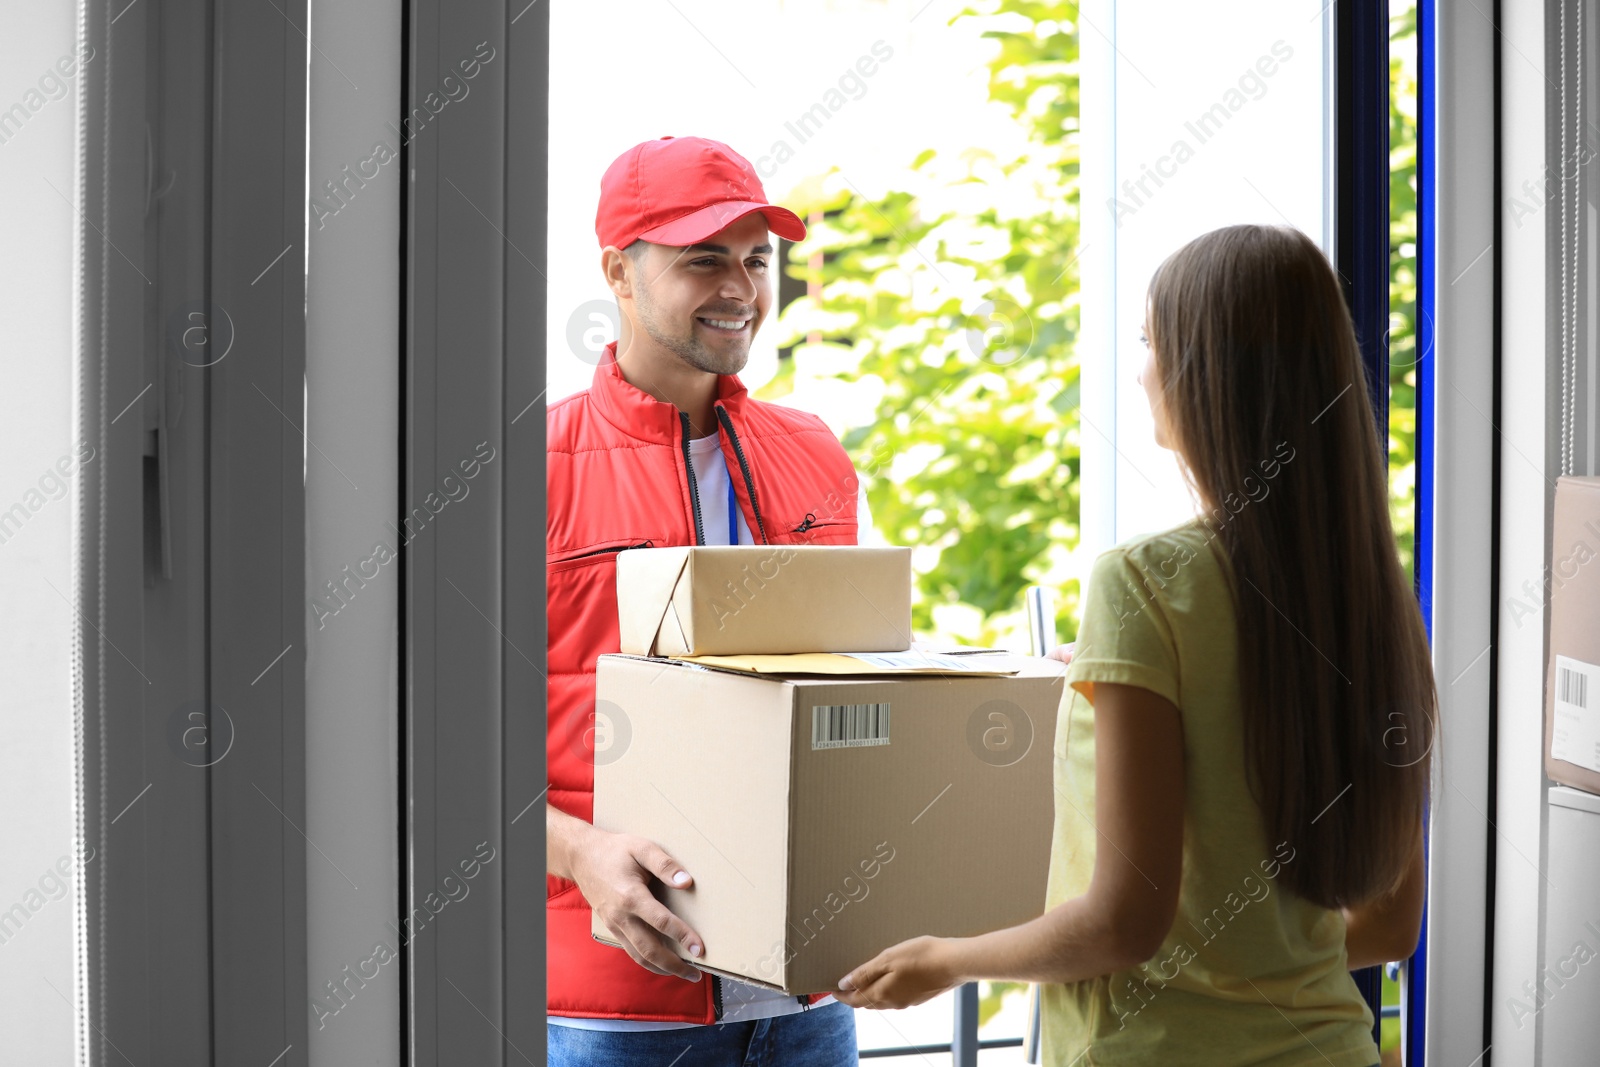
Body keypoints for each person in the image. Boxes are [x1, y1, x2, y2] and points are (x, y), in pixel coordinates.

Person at [834, 224, 1434, 1067]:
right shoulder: (1376, 604)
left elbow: (1123, 922)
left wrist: (946, 958)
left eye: (1151, 340)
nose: (1139, 366)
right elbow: (1389, 925)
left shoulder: (1146, 583)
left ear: (1204, 371)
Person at [545, 135, 863, 1065]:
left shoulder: (813, 454)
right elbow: (436, 749)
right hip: (615, 1017)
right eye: (703, 259)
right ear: (618, 270)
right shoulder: (530, 467)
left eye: (757, 259)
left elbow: (848, 694)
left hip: (806, 1001)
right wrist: (578, 854)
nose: (741, 286)